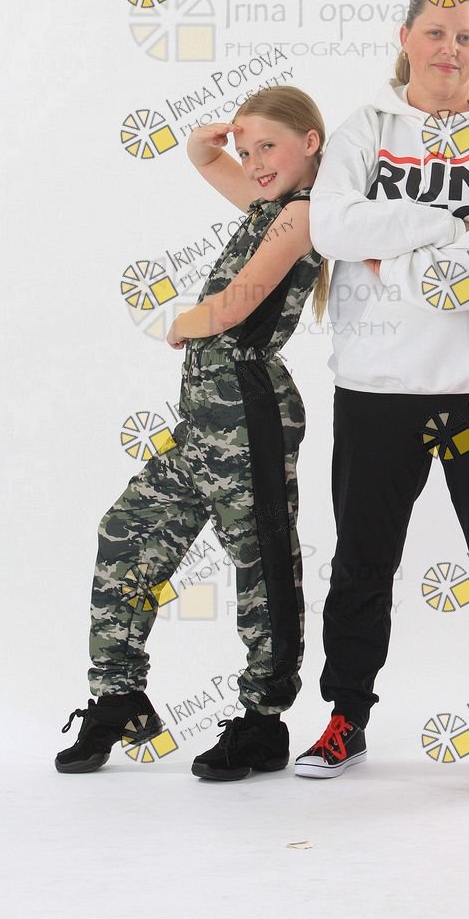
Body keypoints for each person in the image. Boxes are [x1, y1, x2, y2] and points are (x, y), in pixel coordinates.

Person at [293, 0, 469, 784]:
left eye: (466, 36)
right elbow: (331, 224)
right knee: (361, 563)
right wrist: (450, 226)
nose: (450, 48)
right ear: (405, 36)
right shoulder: (365, 130)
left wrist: (398, 265)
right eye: (437, 32)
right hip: (377, 386)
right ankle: (345, 717)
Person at [55, 87, 328, 782]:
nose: (254, 162)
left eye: (269, 146)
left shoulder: (305, 214)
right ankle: (118, 695)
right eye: (248, 149)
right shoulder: (268, 205)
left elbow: (237, 304)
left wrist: (186, 321)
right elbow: (209, 162)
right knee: (126, 530)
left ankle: (263, 720)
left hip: (250, 412)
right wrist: (215, 140)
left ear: (311, 143)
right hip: (204, 422)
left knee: (260, 563)